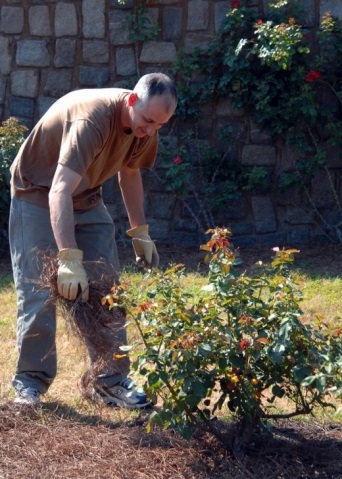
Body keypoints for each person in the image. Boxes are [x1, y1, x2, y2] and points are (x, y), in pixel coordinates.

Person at [9, 72, 178, 408]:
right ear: (132, 100)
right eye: (147, 121)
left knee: (107, 289)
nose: (150, 130)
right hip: (38, 192)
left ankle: (110, 381)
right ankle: (29, 384)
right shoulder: (92, 119)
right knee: (38, 290)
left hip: (85, 195)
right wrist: (68, 258)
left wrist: (139, 232)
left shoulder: (146, 124)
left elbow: (129, 173)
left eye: (159, 125)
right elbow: (59, 189)